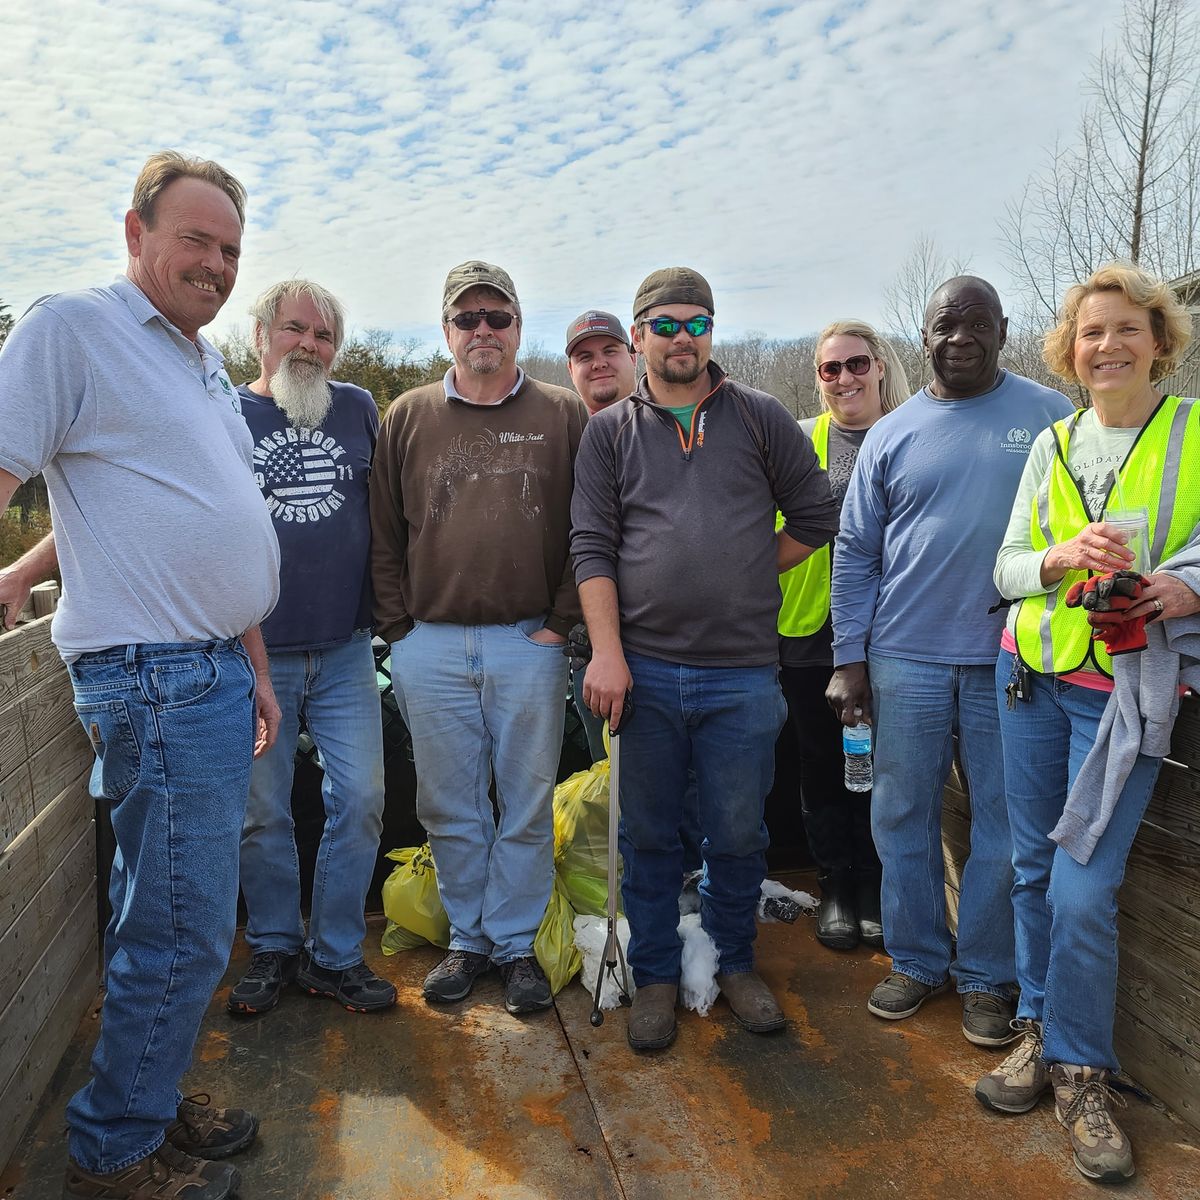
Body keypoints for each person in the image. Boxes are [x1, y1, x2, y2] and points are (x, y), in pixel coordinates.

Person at [0, 152, 280, 1200]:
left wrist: (250, 664)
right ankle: (114, 1156)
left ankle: (147, 1104)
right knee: (180, 929)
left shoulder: (196, 363)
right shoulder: (75, 330)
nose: (214, 265)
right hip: (155, 681)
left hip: (206, 670)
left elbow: (201, 526)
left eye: (230, 251)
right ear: (136, 231)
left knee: (157, 917)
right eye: (195, 240)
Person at [571, 267, 840, 1051]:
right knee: (649, 835)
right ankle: (655, 974)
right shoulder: (608, 432)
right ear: (638, 335)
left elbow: (816, 513)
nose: (682, 337)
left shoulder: (758, 418)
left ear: (711, 333)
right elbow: (591, 547)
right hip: (644, 671)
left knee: (737, 833)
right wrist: (609, 654)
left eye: (698, 323)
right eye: (665, 324)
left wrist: (752, 567)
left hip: (742, 675)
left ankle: (732, 962)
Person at [976, 263, 1199, 1184]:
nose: (1106, 346)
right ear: (1068, 351)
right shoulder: (1053, 443)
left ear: (1161, 341)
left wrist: (1184, 588)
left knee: (1080, 888)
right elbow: (1006, 569)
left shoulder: (1191, 434)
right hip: (1028, 676)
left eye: (1125, 330)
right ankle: (1037, 1029)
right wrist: (1059, 558)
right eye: (1089, 333)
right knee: (1031, 868)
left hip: (1123, 697)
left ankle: (1079, 1071)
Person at [827, 276, 1073, 1047]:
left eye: (976, 323)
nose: (959, 336)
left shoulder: (1049, 416)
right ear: (924, 336)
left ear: (1002, 329)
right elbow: (856, 551)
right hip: (904, 657)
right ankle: (916, 957)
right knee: (900, 813)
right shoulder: (895, 431)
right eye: (944, 325)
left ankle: (988, 976)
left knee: (1005, 820)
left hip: (1014, 659)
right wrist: (849, 658)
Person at [370, 261, 588, 1016]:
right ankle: (468, 939)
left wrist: (560, 622)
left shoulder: (563, 413)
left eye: (498, 317)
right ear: (446, 331)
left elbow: (585, 531)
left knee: (525, 802)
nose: (483, 330)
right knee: (449, 801)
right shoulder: (407, 416)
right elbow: (383, 532)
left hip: (530, 641)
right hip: (429, 643)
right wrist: (399, 628)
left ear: (519, 327)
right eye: (468, 319)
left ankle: (517, 944)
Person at [226, 280, 395, 1018]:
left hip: (348, 652)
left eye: (323, 335)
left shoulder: (358, 409)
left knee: (360, 800)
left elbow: (391, 513)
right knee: (261, 811)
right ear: (260, 334)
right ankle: (272, 945)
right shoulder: (223, 413)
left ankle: (332, 954)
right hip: (250, 655)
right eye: (294, 329)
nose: (309, 346)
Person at [778, 320, 908, 951]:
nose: (845, 379)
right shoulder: (801, 443)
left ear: (880, 366)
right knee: (821, 762)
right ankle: (835, 883)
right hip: (809, 633)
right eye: (831, 369)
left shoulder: (914, 432)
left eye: (857, 364)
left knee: (887, 765)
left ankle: (881, 882)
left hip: (895, 630)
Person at [564, 310, 637, 762]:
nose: (599, 363)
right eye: (584, 356)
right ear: (571, 370)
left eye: (610, 351)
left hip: (675, 648)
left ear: (633, 356)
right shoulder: (556, 440)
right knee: (613, 792)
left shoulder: (673, 428)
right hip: (590, 655)